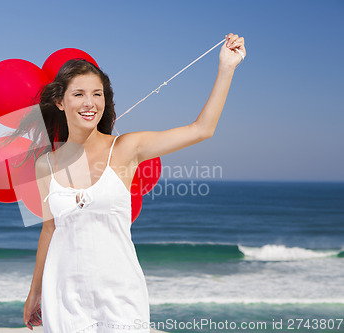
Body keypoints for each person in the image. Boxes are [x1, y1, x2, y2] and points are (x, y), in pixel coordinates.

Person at [22, 33, 246, 331]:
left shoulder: (126, 148)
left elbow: (201, 129)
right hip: (63, 297)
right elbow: (49, 231)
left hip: (120, 295)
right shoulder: (45, 165)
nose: (89, 103)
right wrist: (35, 293)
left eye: (97, 94)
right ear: (60, 102)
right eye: (79, 94)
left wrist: (227, 67)